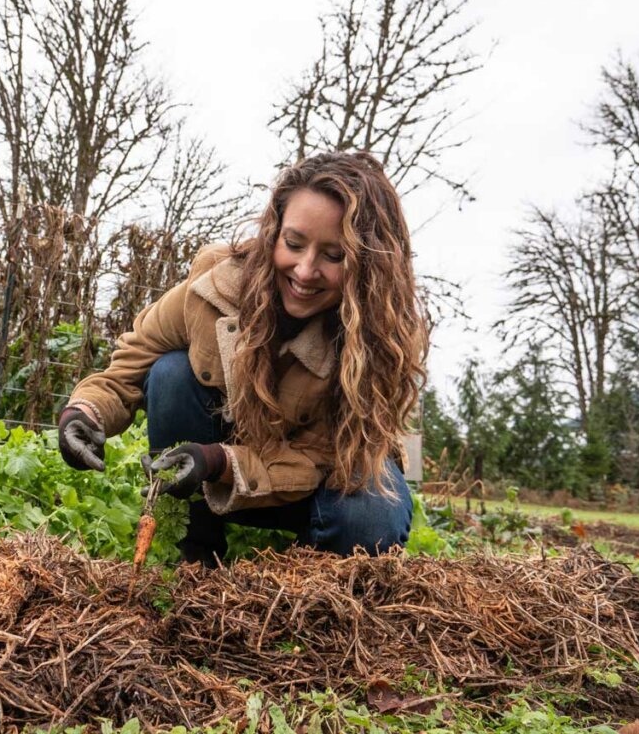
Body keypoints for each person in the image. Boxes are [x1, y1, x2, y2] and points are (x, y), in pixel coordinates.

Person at [57, 152, 427, 565]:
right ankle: (194, 554)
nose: (305, 271)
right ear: (274, 233)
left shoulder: (376, 340)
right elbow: (135, 358)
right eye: (294, 243)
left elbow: (321, 458)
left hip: (316, 488)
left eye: (334, 256)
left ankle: (316, 576)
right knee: (170, 372)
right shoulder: (218, 286)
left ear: (368, 263)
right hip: (218, 475)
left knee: (370, 514)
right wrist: (84, 413)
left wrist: (218, 461)